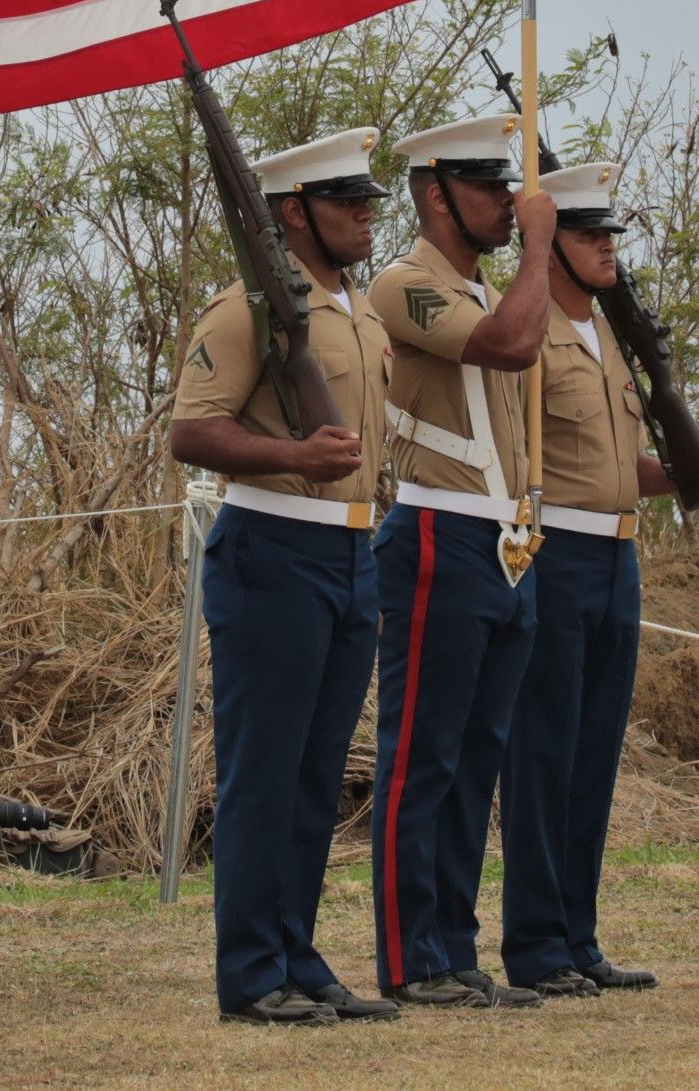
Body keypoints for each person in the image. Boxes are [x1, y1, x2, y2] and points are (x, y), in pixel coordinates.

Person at [168, 128, 399, 1029]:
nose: (366, 215)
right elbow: (193, 429)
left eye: (369, 200)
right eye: (348, 202)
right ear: (295, 211)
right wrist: (292, 454)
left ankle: (298, 955)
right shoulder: (245, 308)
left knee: (314, 774)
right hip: (272, 545)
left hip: (351, 550)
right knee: (264, 772)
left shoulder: (357, 309)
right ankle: (252, 969)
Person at [499, 161, 699, 1000]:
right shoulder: (534, 336)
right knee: (544, 754)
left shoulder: (607, 337)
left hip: (617, 557)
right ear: (551, 246)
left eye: (610, 234)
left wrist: (683, 476)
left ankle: (578, 935)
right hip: (554, 554)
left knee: (593, 755)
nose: (608, 247)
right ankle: (533, 944)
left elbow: (615, 464)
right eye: (589, 234)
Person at [367, 114, 555, 1012]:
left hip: (506, 537)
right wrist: (542, 247)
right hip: (440, 526)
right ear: (438, 193)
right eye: (488, 188)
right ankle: (411, 957)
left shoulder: (487, 288)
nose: (507, 205)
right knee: (423, 757)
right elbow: (512, 345)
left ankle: (455, 947)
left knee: (477, 757)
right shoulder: (405, 284)